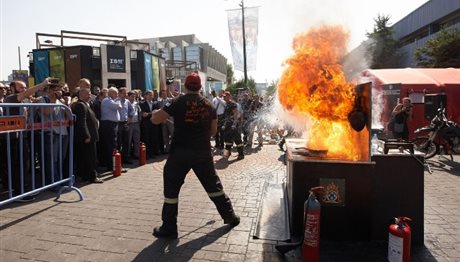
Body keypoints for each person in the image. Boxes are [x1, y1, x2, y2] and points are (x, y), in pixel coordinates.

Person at [151, 73, 240, 239]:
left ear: (186, 86)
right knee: (213, 186)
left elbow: (156, 120)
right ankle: (229, 216)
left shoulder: (177, 102)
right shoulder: (209, 105)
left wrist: (156, 113)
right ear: (200, 87)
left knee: (171, 189)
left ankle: (169, 227)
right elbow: (213, 131)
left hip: (180, 153)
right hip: (202, 152)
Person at [73, 88, 103, 183]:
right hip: (87, 137)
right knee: (90, 158)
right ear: (81, 95)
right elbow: (82, 122)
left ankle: (87, 175)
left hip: (91, 136)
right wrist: (86, 135)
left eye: (90, 94)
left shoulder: (87, 104)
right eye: (87, 94)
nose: (90, 96)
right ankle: (91, 176)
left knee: (89, 157)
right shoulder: (80, 105)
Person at [222, 91, 245, 160]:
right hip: (228, 125)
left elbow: (235, 114)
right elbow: (227, 116)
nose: (223, 97)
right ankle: (227, 153)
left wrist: (234, 124)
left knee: (237, 140)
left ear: (229, 96)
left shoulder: (233, 104)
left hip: (233, 125)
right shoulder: (226, 104)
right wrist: (224, 124)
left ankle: (241, 154)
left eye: (225, 96)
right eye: (223, 96)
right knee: (228, 140)